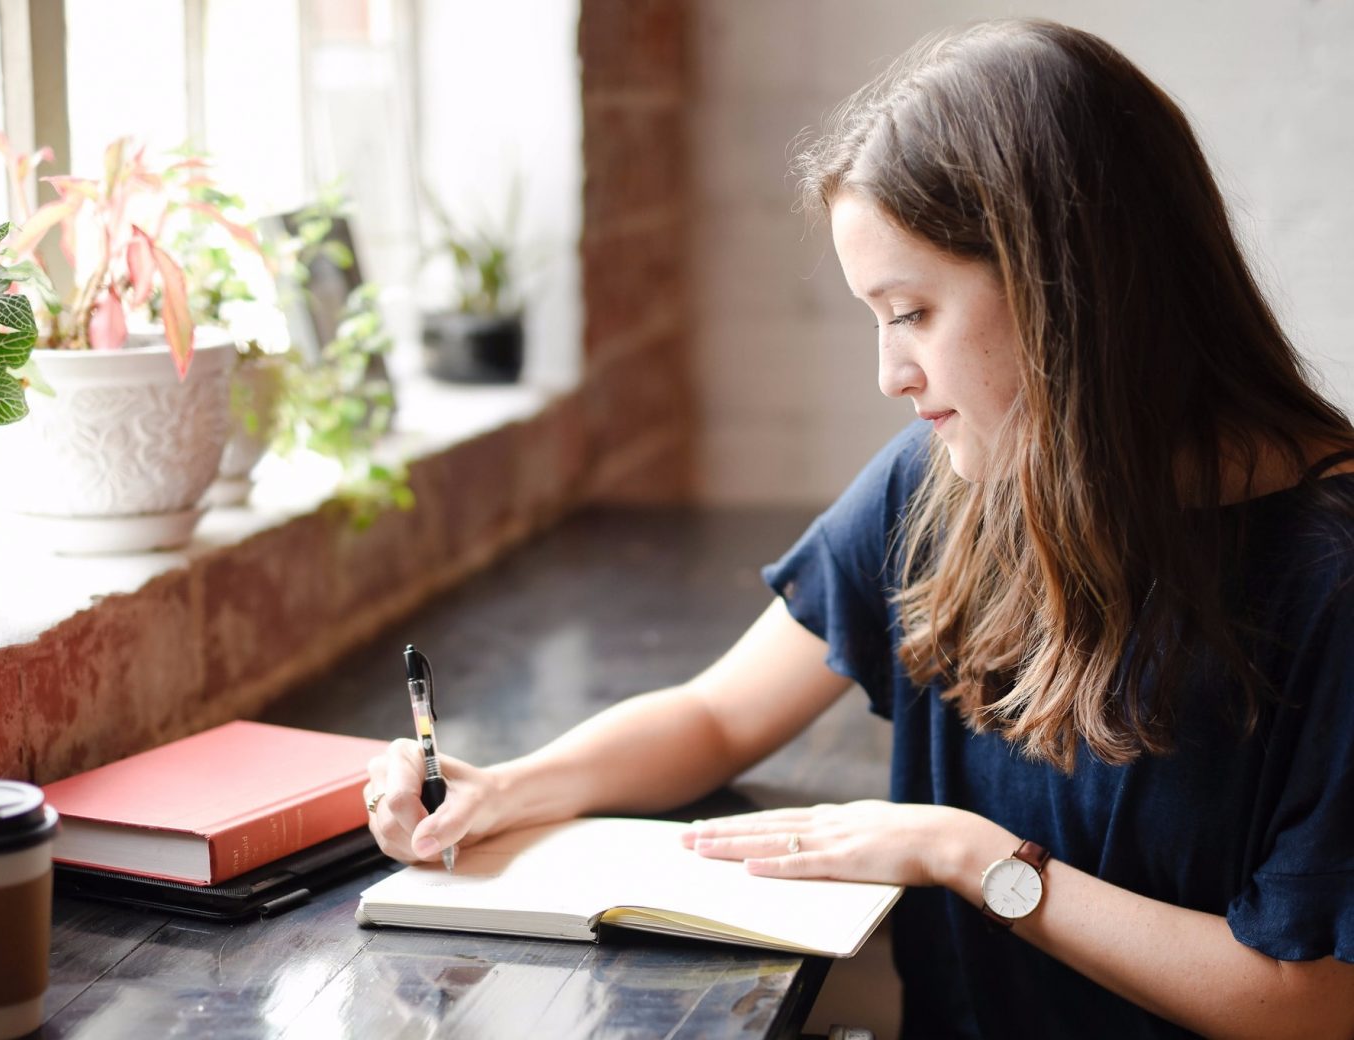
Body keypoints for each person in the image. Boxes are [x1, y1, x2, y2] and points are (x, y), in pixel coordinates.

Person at [367, 18, 1354, 1039]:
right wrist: (503, 789)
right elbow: (716, 715)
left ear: (1067, 287)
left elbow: (1309, 1001)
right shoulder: (947, 483)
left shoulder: (1327, 577)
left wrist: (971, 857)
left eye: (911, 311)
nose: (890, 374)